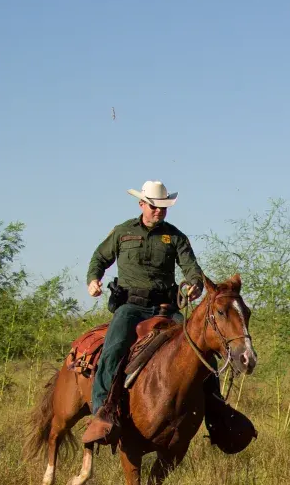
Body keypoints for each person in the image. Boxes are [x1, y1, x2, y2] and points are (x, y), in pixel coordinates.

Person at [82, 180, 205, 446]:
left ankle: (217, 412)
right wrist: (93, 279)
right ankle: (101, 412)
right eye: (154, 206)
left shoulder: (175, 237)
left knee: (198, 346)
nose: (159, 211)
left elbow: (192, 269)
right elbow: (99, 259)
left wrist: (196, 285)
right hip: (131, 307)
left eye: (163, 207)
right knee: (113, 348)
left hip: (167, 307)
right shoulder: (122, 232)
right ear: (141, 204)